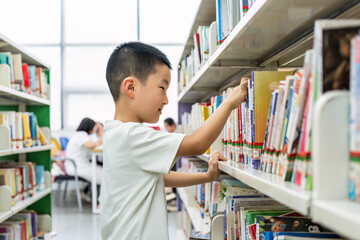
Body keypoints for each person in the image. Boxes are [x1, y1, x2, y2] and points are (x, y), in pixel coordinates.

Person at [100, 42, 248, 240]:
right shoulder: (132, 135)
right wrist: (230, 103)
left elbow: (156, 179)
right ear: (131, 87)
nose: (166, 100)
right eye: (162, 88)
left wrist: (206, 177)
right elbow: (197, 144)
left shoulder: (114, 132)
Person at [65, 117, 103, 198]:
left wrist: (99, 133)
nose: (95, 129)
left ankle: (90, 193)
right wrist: (100, 135)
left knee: (103, 171)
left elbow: (94, 142)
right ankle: (99, 202)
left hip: (81, 165)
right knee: (105, 176)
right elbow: (90, 145)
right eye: (94, 127)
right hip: (77, 167)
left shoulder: (83, 135)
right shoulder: (81, 134)